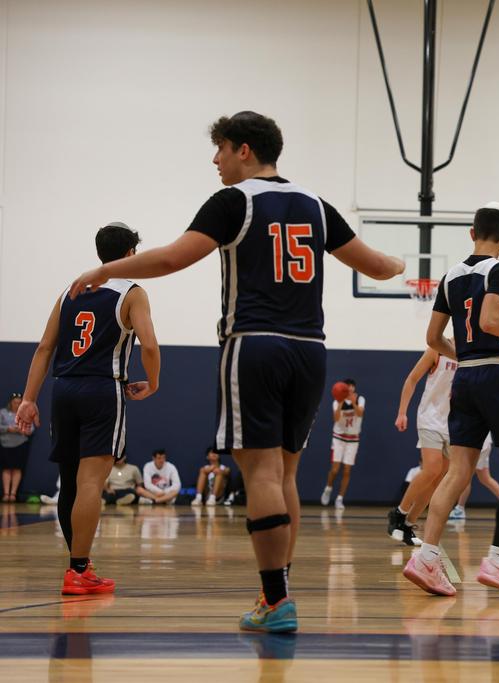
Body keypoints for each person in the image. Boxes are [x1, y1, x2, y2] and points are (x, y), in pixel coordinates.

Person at [68, 111, 405, 632]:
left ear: (244, 150)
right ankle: (278, 592)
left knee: (262, 473)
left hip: (254, 344)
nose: (215, 160)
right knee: (286, 473)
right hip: (310, 350)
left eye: (221, 149)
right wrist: (402, 265)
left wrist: (105, 269)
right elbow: (379, 267)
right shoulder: (316, 205)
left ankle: (276, 600)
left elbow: (172, 259)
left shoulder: (234, 201)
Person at [403, 203, 499, 598]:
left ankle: (427, 557)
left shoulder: (450, 276)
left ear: (472, 233)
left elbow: (433, 338)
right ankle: (497, 559)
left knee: (457, 472)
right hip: (497, 372)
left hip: (463, 378)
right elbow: (489, 321)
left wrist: (461, 354)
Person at [15, 222, 160, 595]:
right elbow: (149, 346)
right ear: (131, 254)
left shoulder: (71, 290)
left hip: (63, 389)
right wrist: (154, 382)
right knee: (91, 483)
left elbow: (44, 347)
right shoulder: (132, 292)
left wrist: (29, 398)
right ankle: (78, 570)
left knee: (69, 482)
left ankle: (80, 565)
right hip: (101, 389)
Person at [387, 345, 458, 547]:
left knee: (439, 478)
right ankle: (399, 513)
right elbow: (412, 379)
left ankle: (408, 524)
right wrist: (402, 412)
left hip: (452, 422)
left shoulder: (470, 353)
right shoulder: (437, 349)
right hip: (430, 418)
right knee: (432, 468)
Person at [320, 379, 365, 511]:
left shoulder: (360, 399)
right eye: (347, 387)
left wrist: (353, 403)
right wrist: (341, 402)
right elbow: (336, 418)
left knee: (346, 470)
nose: (349, 389)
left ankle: (340, 498)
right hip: (339, 438)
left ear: (354, 388)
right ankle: (328, 488)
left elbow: (360, 414)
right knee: (335, 469)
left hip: (353, 439)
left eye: (351, 387)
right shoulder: (337, 401)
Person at [451, 434, 499, 520]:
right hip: (483, 444)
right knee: (485, 478)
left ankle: (459, 509)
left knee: (466, 477)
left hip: (478, 444)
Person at [1, 393, 34, 502]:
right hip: (5, 444)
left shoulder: (26, 414)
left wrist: (22, 430)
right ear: (11, 403)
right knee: (6, 468)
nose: (17, 404)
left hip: (20, 444)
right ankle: (6, 494)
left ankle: (13, 494)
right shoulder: (3, 413)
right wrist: (8, 429)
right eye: (15, 402)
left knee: (17, 469)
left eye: (19, 403)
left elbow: (31, 429)